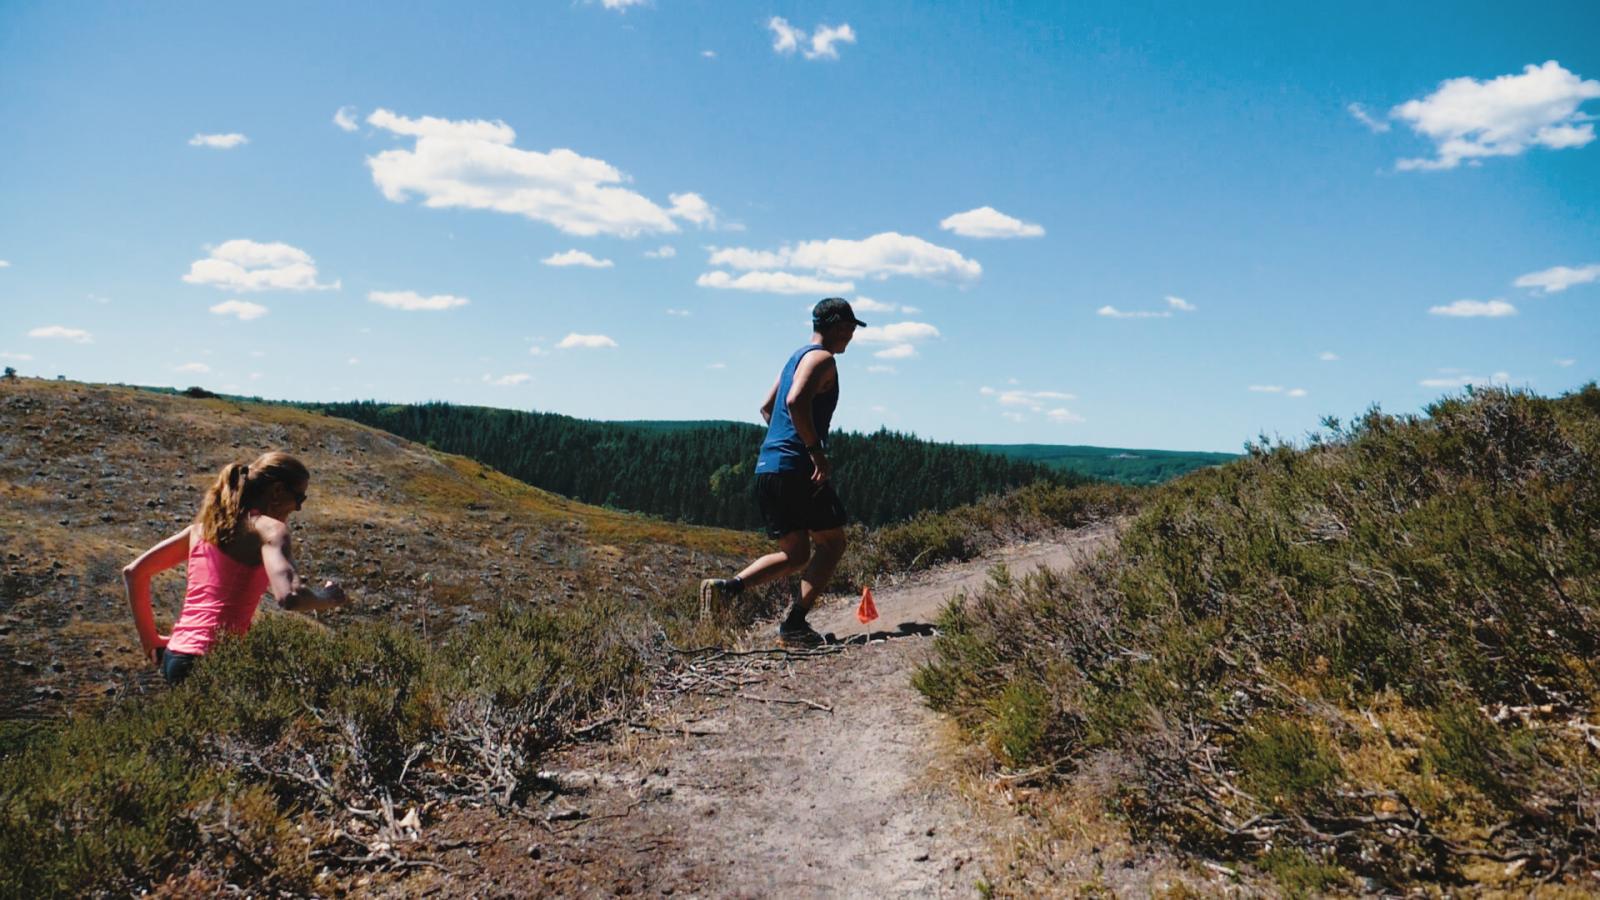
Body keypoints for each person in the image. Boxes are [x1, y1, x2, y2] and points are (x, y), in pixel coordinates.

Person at [700, 297, 867, 647]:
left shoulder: (796, 358)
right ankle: (794, 625)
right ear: (838, 326)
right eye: (850, 328)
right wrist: (813, 451)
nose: (852, 335)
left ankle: (728, 589)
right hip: (797, 468)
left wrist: (785, 440)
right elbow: (794, 402)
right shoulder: (822, 359)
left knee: (796, 554)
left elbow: (766, 407)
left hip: (769, 467)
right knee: (832, 544)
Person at [124, 451, 350, 684]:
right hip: (211, 660)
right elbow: (290, 596)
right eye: (299, 498)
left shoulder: (202, 530)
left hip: (176, 656)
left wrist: (150, 640)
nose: (299, 508)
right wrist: (328, 597)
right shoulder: (267, 529)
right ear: (277, 491)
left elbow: (134, 573)